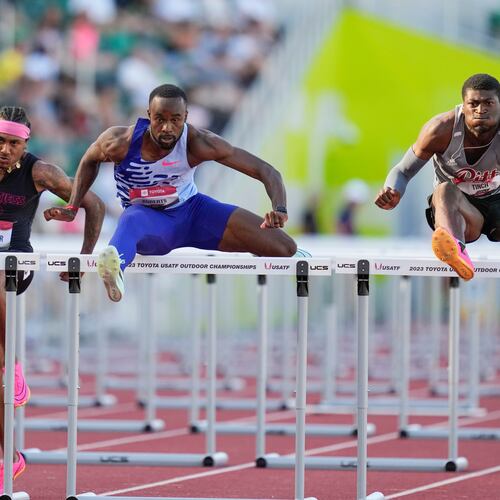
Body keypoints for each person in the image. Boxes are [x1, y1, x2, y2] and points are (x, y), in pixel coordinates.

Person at [50, 83, 300, 302]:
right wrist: (73, 205)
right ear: (149, 115)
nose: (167, 128)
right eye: (160, 119)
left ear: (186, 117)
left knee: (284, 247)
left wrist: (279, 208)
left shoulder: (200, 142)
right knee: (131, 220)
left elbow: (266, 170)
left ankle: (268, 245)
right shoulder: (120, 142)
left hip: (194, 213)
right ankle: (114, 268)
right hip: (151, 221)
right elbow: (89, 161)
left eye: (176, 120)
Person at [0, 106, 105, 486]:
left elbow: (94, 204)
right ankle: (9, 457)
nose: (4, 150)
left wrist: (84, 258)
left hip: (17, 262)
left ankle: (12, 366)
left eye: (13, 143)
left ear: (25, 144)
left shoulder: (39, 172)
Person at [375, 73, 500, 280]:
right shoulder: (440, 129)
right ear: (463, 105)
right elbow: (403, 170)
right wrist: (393, 190)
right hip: (456, 212)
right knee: (444, 189)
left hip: (495, 201)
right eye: (473, 104)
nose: (480, 110)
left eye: (488, 103)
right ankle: (455, 249)